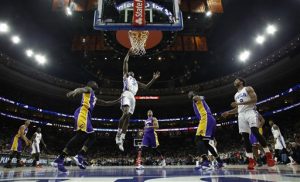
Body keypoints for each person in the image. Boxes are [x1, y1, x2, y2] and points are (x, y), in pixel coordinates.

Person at [54, 81, 120, 173]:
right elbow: (81, 89)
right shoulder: (89, 89)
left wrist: (118, 100)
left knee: (92, 137)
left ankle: (75, 156)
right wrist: (75, 91)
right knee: (81, 135)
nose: (97, 84)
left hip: (86, 115)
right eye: (95, 83)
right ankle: (62, 158)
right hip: (83, 112)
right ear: (91, 84)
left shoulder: (94, 97)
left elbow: (106, 103)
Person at [221, 78, 275, 170]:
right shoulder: (236, 95)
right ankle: (251, 160)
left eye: (236, 80)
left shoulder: (248, 88)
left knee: (255, 131)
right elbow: (238, 108)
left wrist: (238, 103)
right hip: (241, 115)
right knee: (245, 137)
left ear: (241, 82)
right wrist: (228, 112)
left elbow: (254, 100)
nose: (235, 81)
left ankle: (268, 156)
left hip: (250, 111)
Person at [116, 50, 160, 151]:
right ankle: (118, 133)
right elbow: (125, 63)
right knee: (125, 112)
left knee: (128, 118)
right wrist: (127, 54)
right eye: (130, 71)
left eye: (132, 72)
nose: (131, 72)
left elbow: (146, 87)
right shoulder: (126, 77)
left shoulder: (136, 81)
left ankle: (122, 137)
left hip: (133, 97)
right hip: (126, 93)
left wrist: (153, 79)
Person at [188, 91, 223, 170]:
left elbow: (201, 97)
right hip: (210, 120)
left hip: (206, 119)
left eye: (190, 93)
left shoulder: (196, 99)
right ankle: (220, 161)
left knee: (197, 139)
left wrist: (195, 96)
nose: (189, 95)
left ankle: (206, 161)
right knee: (206, 144)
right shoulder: (197, 102)